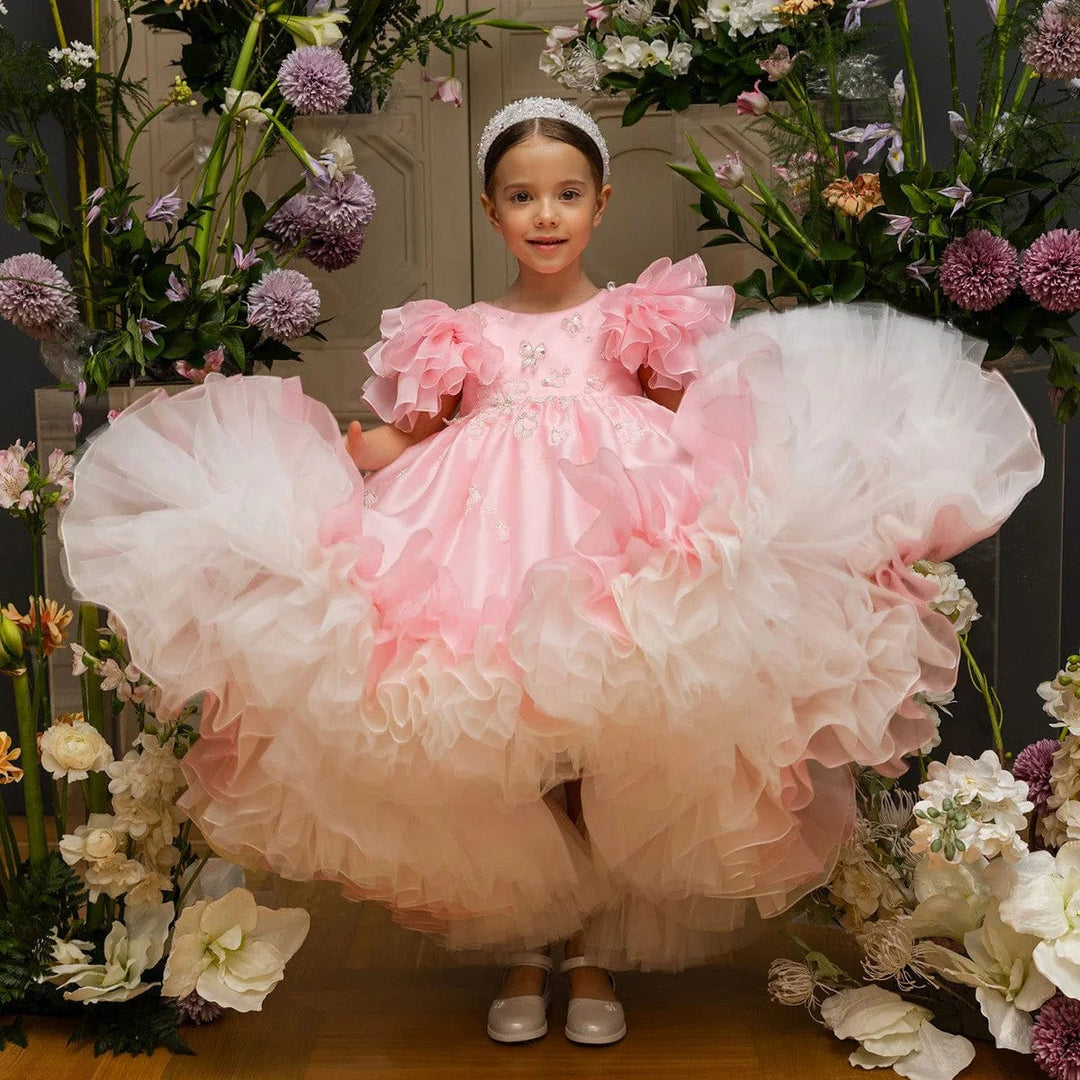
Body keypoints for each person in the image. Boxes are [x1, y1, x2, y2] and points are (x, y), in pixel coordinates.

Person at [60, 96, 1044, 1048]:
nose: (546, 215)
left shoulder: (634, 317)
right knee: (513, 750)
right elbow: (417, 434)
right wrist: (367, 457)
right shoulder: (461, 330)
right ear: (491, 209)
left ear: (601, 202)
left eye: (567, 193)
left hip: (610, 538)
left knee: (602, 747)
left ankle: (594, 955)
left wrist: (762, 489)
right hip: (480, 545)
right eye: (524, 196)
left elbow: (693, 414)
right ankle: (530, 946)